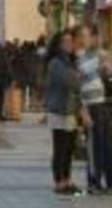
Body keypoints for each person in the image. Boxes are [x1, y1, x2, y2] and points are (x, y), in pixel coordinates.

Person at [77, 25, 112, 195]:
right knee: (94, 146)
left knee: (108, 144)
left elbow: (111, 66)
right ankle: (94, 182)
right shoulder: (79, 57)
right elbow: (78, 81)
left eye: (87, 36)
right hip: (89, 105)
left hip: (101, 103)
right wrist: (83, 112)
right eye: (82, 36)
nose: (84, 40)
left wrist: (107, 65)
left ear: (95, 38)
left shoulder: (100, 54)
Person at [42, 29, 82, 197]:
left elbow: (76, 80)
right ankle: (59, 182)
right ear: (58, 45)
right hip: (59, 110)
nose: (69, 44)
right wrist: (78, 76)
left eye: (71, 41)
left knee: (70, 148)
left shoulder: (70, 62)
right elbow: (71, 82)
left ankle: (67, 180)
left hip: (70, 110)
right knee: (61, 148)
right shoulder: (56, 63)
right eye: (65, 42)